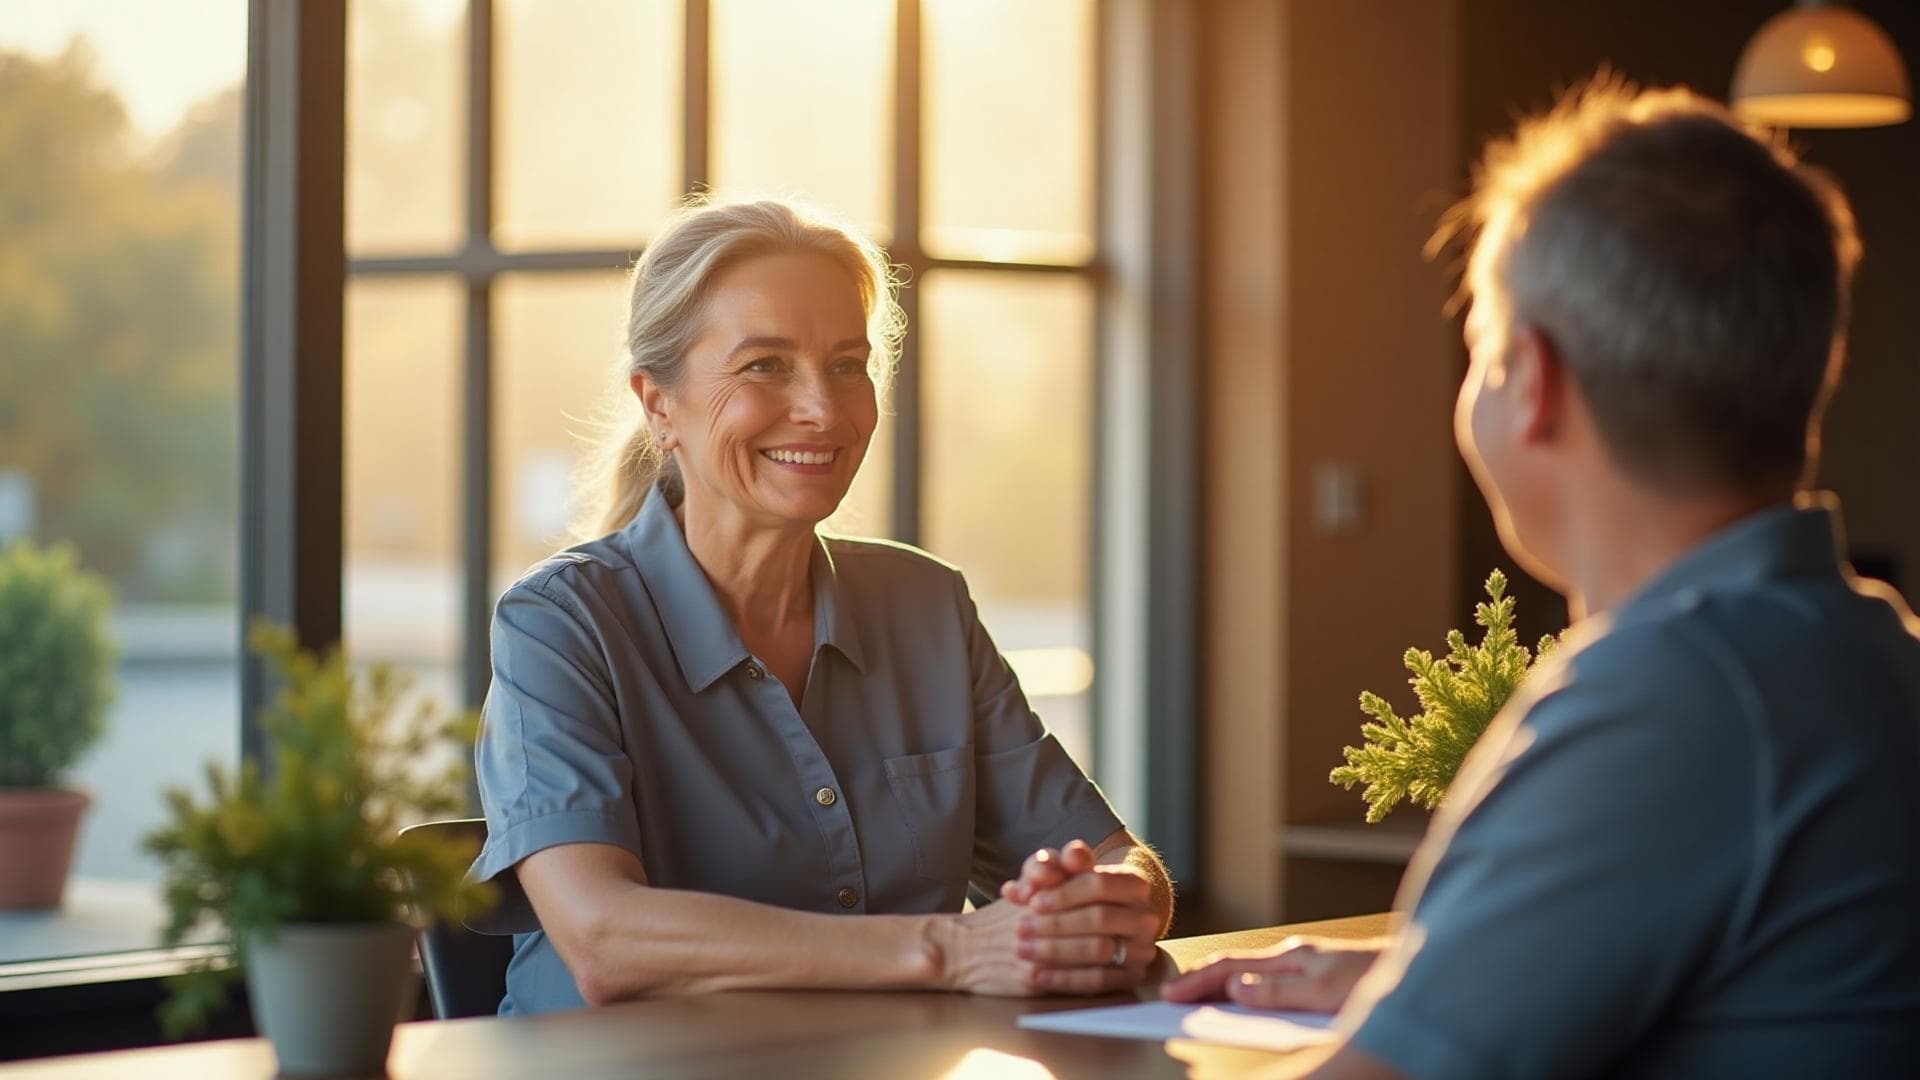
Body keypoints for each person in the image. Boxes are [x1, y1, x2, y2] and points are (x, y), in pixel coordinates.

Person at [1165, 79, 1920, 1076]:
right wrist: (1428, 969)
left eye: (1478, 350)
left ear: (1535, 383)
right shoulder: (1869, 650)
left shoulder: (1672, 694)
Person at [465, 199, 1172, 1015]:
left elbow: (1123, 863)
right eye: (764, 365)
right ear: (659, 404)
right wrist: (952, 948)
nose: (825, 410)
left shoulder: (927, 605)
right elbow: (603, 939)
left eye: (846, 364)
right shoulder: (561, 622)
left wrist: (1099, 905)